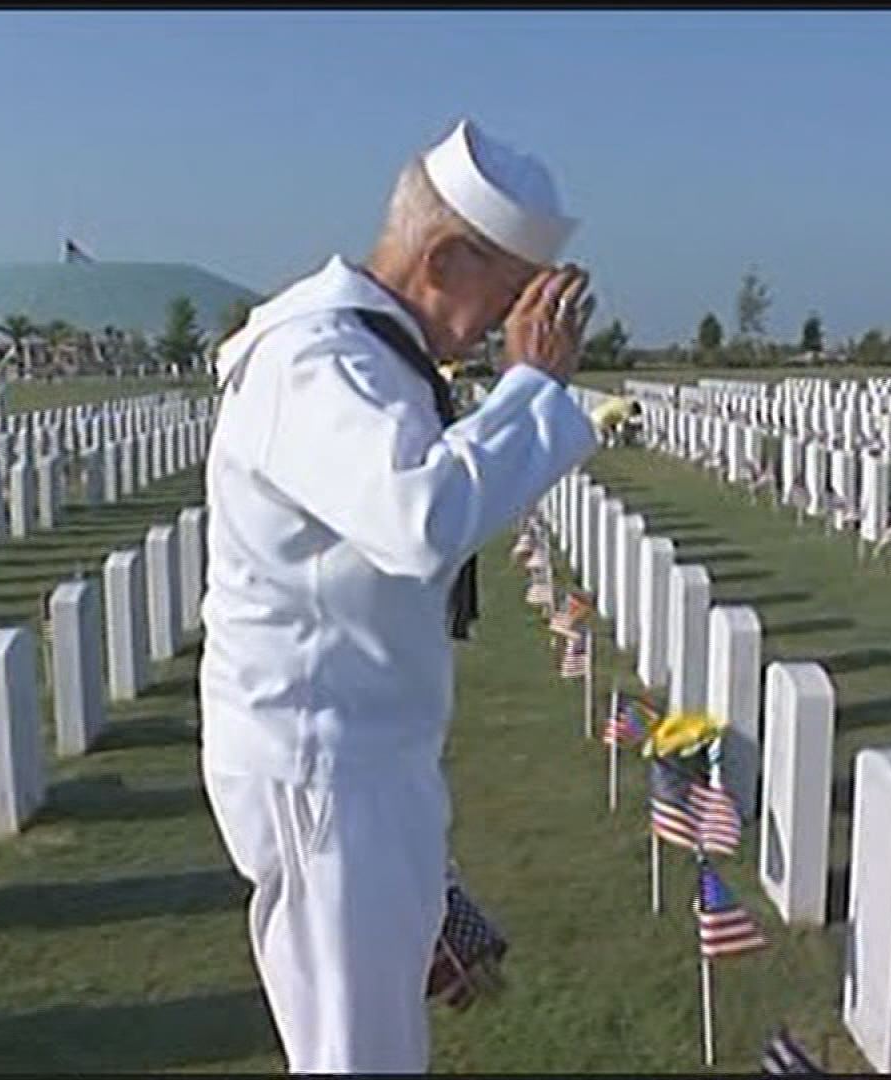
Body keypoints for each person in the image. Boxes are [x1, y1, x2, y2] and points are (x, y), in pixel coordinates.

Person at [199, 118, 604, 1073]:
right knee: (357, 1054)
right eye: (511, 292)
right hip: (323, 762)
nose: (515, 322)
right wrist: (530, 385)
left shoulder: (373, 355)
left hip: (365, 752)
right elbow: (419, 519)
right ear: (448, 255)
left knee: (379, 1037)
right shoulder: (317, 359)